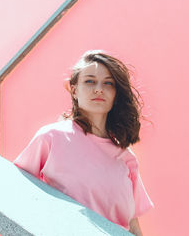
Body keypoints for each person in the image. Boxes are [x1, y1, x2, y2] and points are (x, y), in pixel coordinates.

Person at [13, 50, 154, 235]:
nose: (98, 89)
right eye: (89, 81)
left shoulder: (126, 157)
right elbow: (18, 193)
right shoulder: (51, 137)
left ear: (115, 94)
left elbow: (132, 224)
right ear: (74, 89)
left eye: (108, 83)